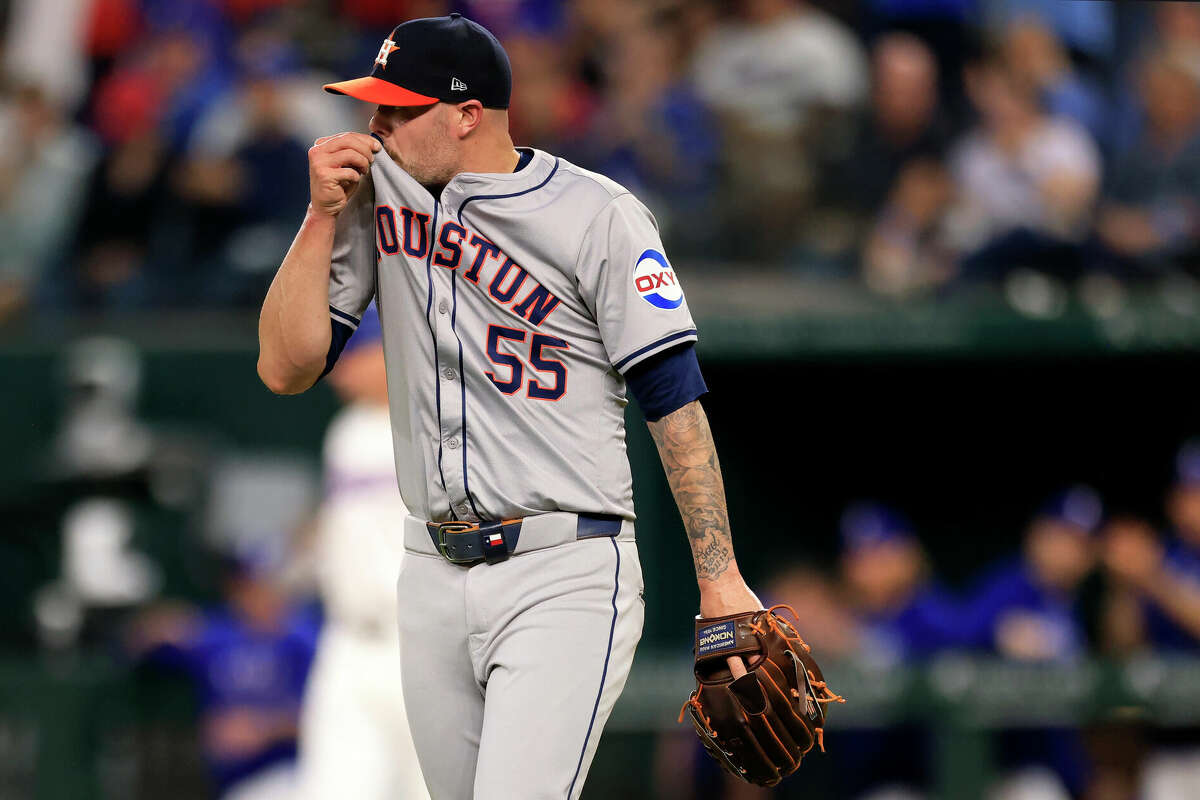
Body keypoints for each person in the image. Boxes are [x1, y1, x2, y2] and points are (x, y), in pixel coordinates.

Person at [256, 13, 761, 800]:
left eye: (398, 108)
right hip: (428, 571)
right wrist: (319, 215)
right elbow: (285, 369)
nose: (375, 123)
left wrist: (719, 576)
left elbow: (672, 398)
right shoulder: (368, 197)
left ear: (465, 116)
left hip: (561, 567)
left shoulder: (597, 213)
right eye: (375, 105)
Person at [295, 305, 428, 800]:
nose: (339, 366)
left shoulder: (437, 426)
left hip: (418, 641)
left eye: (352, 351)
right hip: (348, 641)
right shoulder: (345, 432)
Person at [126, 555, 318, 800]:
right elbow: (138, 639)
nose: (248, 593)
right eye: (241, 586)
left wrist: (264, 729)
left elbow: (331, 719)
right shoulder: (215, 635)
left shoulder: (304, 640)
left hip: (294, 773)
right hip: (232, 781)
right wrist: (164, 623)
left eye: (257, 584)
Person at [961, 486, 1102, 799]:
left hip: (1061, 765)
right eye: (1062, 536)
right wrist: (995, 635)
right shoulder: (1008, 588)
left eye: (1081, 542)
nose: (1070, 551)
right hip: (1012, 767)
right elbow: (956, 637)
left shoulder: (1074, 603)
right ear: (1037, 534)